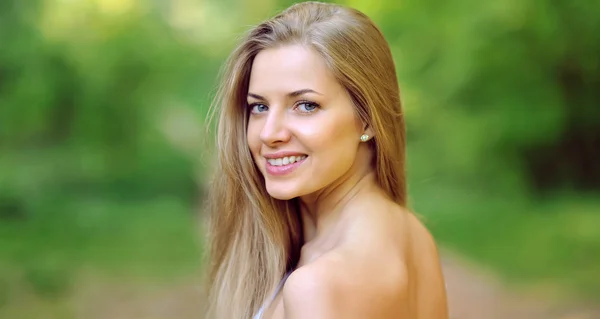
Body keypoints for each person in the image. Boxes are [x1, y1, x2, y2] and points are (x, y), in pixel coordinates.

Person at [205, 1, 448, 318]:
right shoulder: (411, 234)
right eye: (259, 107)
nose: (269, 133)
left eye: (305, 105)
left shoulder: (318, 286)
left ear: (368, 119)